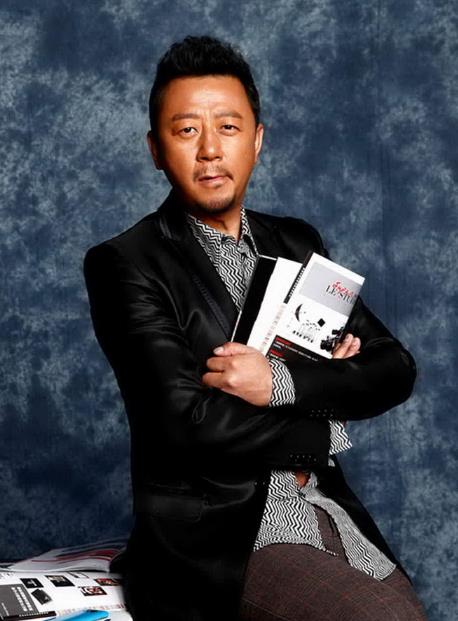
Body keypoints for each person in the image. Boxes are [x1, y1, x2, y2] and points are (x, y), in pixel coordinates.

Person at [84, 36, 427, 621]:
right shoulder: (126, 263)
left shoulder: (296, 241)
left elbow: (393, 368)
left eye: (228, 127)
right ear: (155, 149)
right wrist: (327, 409)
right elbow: (186, 426)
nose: (210, 150)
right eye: (186, 130)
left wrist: (280, 383)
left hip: (323, 505)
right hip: (218, 542)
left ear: (257, 140)